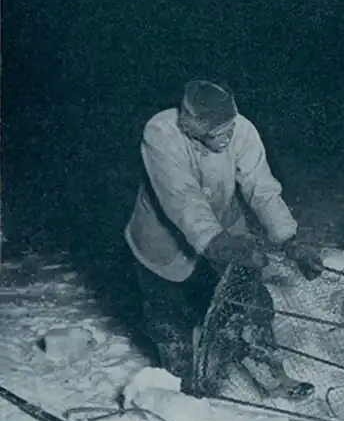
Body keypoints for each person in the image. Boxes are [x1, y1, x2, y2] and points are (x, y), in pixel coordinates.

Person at [124, 79, 326, 399]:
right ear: (192, 128)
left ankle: (270, 371)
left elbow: (261, 187)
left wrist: (290, 239)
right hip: (163, 239)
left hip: (226, 226)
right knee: (169, 319)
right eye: (218, 133)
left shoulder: (241, 130)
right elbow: (182, 198)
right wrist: (216, 243)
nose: (227, 138)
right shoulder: (161, 133)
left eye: (229, 128)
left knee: (252, 300)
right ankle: (183, 387)